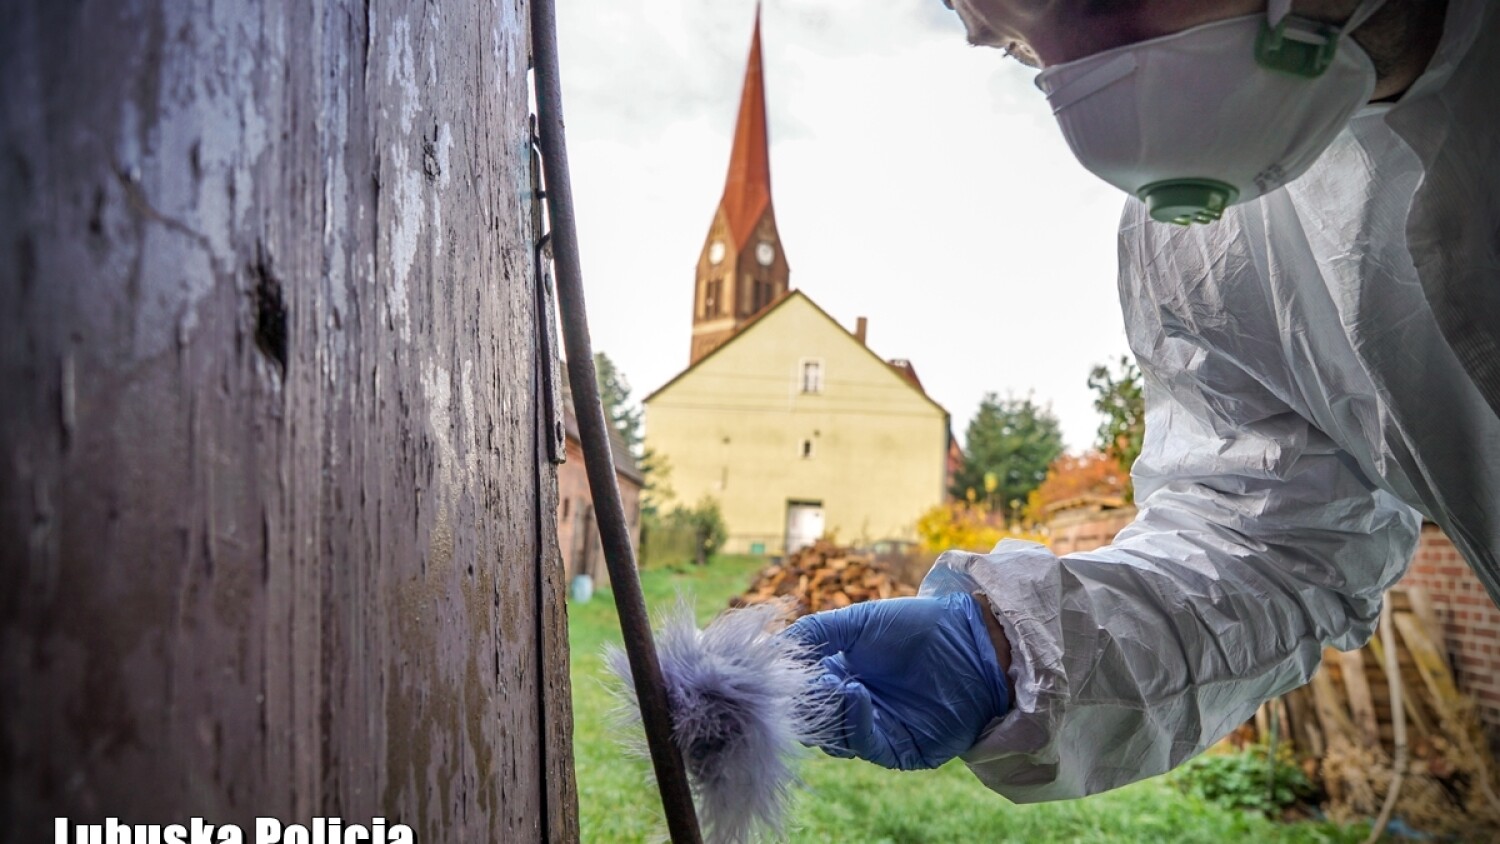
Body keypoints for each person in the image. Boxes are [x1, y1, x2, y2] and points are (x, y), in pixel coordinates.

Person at [786, 0, 1498, 801]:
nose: (1084, 85)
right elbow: (1266, 538)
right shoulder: (1212, 240)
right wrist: (1006, 650)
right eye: (1021, 50)